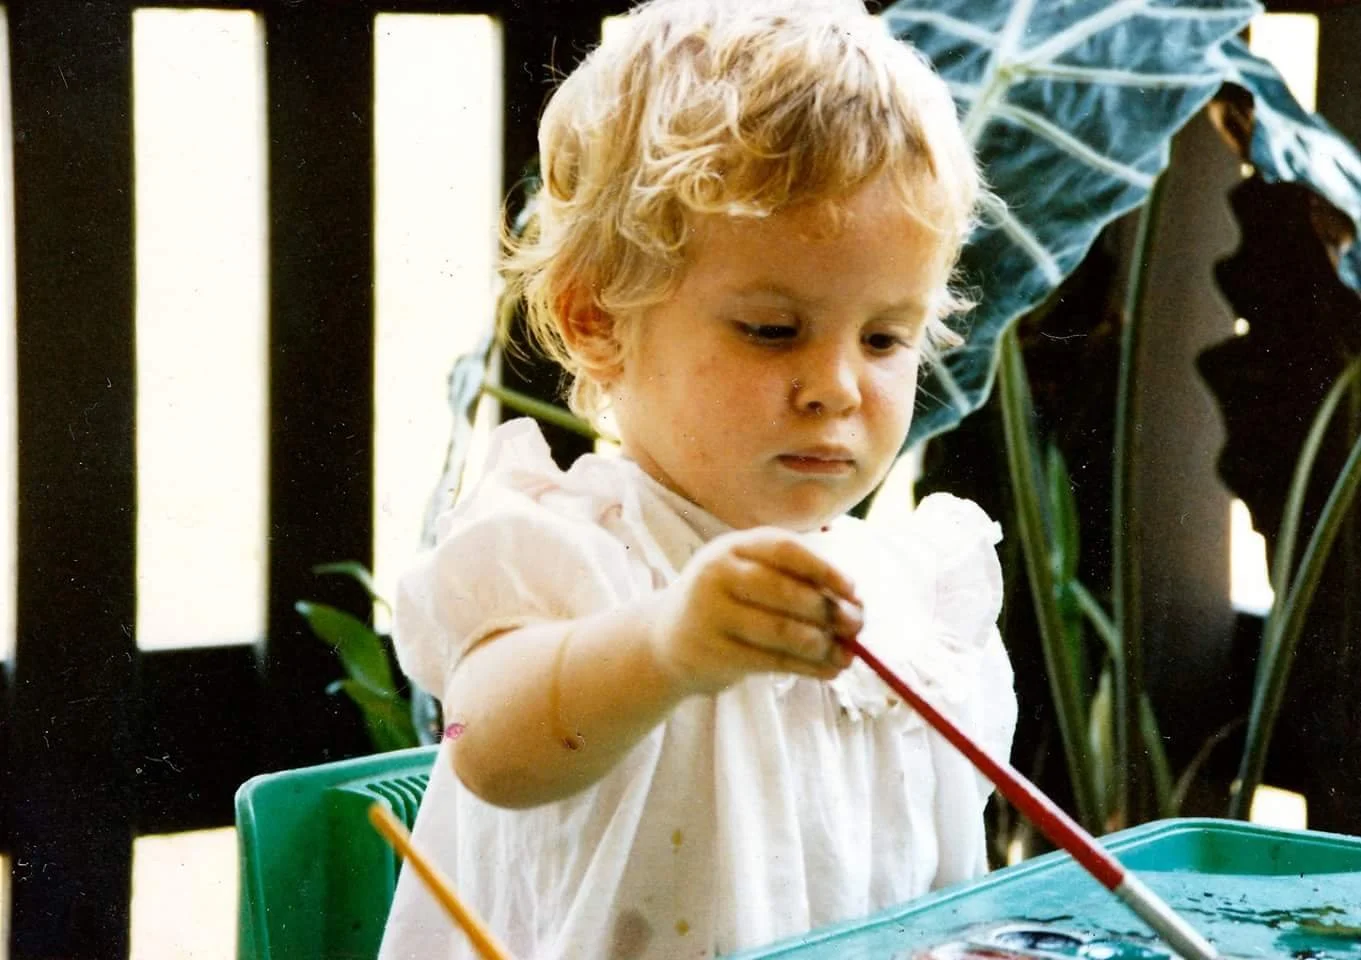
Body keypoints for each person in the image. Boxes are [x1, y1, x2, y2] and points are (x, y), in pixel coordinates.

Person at [379, 0, 1017, 956]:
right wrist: (667, 646)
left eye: (885, 336)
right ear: (597, 320)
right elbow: (490, 748)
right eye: (771, 330)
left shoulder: (911, 595)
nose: (837, 388)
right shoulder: (568, 549)